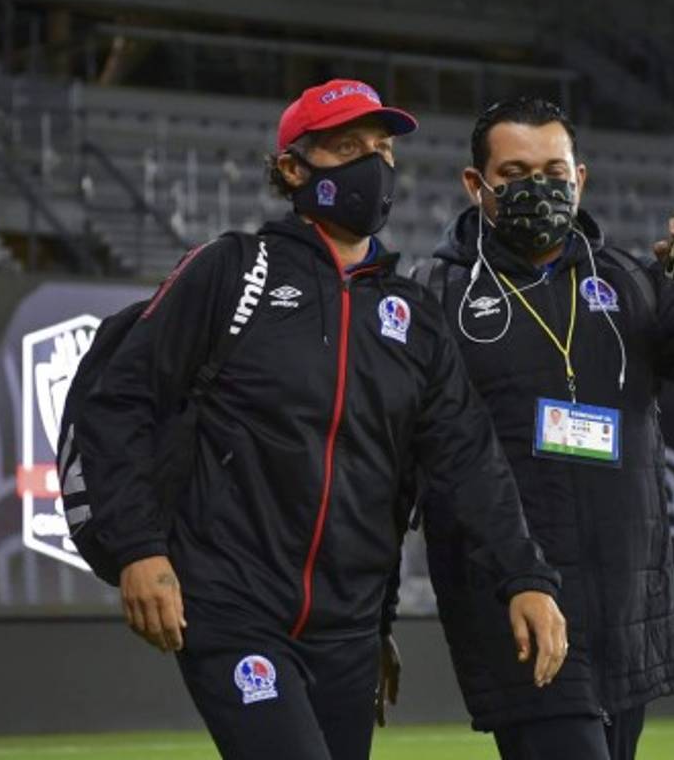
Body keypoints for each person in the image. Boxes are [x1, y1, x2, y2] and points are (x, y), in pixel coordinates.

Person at [75, 80, 567, 760]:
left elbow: (467, 462)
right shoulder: (230, 271)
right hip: (233, 610)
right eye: (347, 147)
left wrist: (526, 578)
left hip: (350, 632)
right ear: (292, 168)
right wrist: (139, 549)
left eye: (382, 149)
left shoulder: (412, 317)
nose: (373, 164)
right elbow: (118, 403)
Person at [415, 97, 674, 760]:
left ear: (580, 179)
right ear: (477, 186)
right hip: (515, 601)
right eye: (516, 172)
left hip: (625, 607)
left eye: (555, 173)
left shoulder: (635, 282)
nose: (540, 189)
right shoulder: (434, 297)